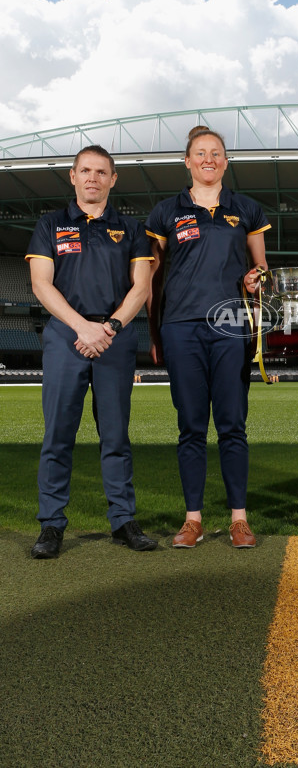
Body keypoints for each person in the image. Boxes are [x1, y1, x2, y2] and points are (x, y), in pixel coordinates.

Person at [26, 145, 157, 559]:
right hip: (67, 336)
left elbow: (141, 286)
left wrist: (111, 326)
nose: (93, 178)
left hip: (114, 337)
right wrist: (82, 326)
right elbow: (41, 284)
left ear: (113, 179)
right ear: (73, 176)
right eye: (85, 170)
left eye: (102, 172)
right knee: (58, 434)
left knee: (115, 434)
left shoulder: (131, 228)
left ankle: (123, 520)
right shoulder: (50, 225)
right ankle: (51, 525)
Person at [145, 127, 270, 549]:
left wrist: (256, 282)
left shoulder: (247, 209)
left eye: (216, 153)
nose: (208, 159)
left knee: (233, 425)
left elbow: (261, 269)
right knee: (191, 427)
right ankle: (193, 519)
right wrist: (154, 329)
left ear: (225, 162)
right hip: (180, 328)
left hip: (230, 327)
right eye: (200, 153)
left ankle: (239, 519)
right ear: (188, 161)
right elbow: (153, 278)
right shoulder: (166, 212)